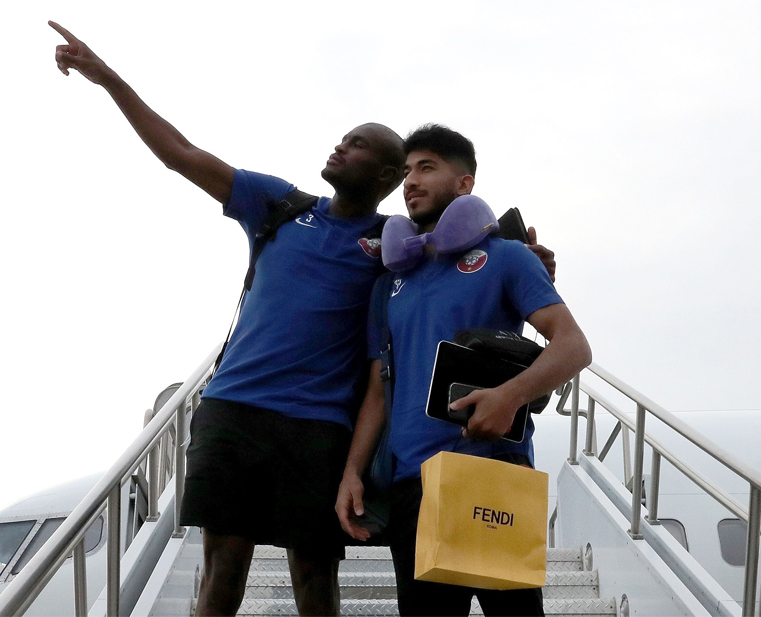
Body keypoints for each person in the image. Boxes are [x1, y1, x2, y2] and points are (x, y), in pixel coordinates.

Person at [50, 22, 556, 615]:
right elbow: (181, 154)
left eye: (358, 144)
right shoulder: (280, 206)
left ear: (388, 177)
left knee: (315, 578)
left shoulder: (396, 251)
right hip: (235, 407)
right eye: (342, 138)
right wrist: (108, 78)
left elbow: (465, 247)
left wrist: (530, 257)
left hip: (320, 427)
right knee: (221, 573)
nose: (340, 147)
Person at [335, 124, 592, 617]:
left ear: (464, 183)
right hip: (413, 484)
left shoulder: (507, 257)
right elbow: (377, 389)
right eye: (406, 171)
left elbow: (573, 345)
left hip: (492, 472)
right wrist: (352, 471)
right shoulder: (388, 284)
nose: (411, 181)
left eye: (426, 167)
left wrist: (510, 396)